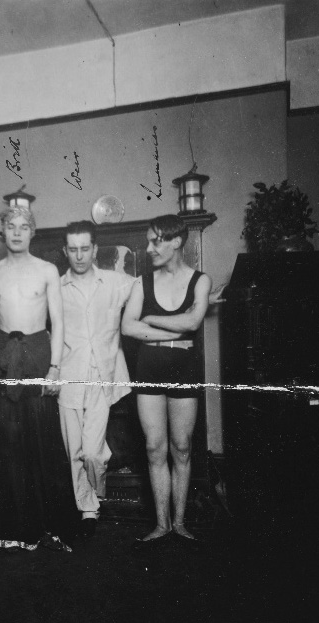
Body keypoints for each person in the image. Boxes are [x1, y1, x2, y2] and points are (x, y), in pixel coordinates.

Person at [0, 205, 78, 551]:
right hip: (4, 358)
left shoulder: (48, 270)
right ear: (3, 232)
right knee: (8, 441)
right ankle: (13, 529)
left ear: (32, 232)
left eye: (24, 226)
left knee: (43, 438)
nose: (18, 232)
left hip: (39, 356)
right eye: (11, 226)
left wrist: (55, 368)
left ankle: (51, 525)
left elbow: (59, 322)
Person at [121, 215, 211, 547]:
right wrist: (172, 326)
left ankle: (180, 522)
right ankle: (161, 524)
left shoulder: (199, 280)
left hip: (183, 367)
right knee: (154, 447)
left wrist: (150, 317)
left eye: (155, 240)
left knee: (182, 447)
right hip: (149, 367)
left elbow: (193, 321)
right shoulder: (140, 283)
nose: (149, 248)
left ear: (176, 241)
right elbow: (127, 328)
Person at [59, 221, 135, 539]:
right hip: (68, 377)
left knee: (91, 451)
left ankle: (96, 494)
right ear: (65, 251)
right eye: (72, 249)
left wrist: (198, 297)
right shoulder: (56, 287)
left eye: (84, 248)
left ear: (95, 249)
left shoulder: (118, 282)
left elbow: (155, 292)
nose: (79, 256)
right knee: (72, 451)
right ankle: (87, 508)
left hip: (103, 375)